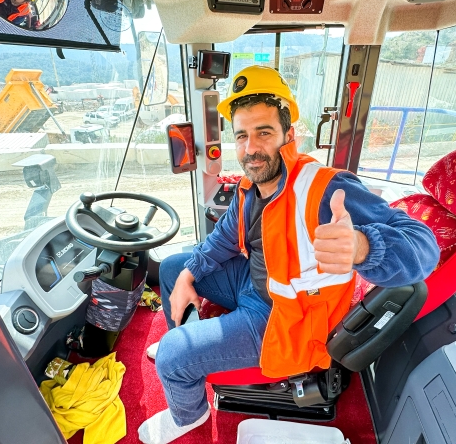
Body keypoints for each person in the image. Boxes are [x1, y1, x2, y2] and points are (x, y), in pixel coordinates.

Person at [137, 66, 440, 444]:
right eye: (242, 135)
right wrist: (188, 276)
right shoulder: (251, 185)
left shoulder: (326, 189)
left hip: (285, 317)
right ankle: (185, 347)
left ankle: (188, 412)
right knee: (173, 267)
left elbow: (424, 247)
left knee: (172, 354)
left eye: (264, 132)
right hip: (252, 283)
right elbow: (223, 239)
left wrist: (362, 246)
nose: (251, 147)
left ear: (289, 136)